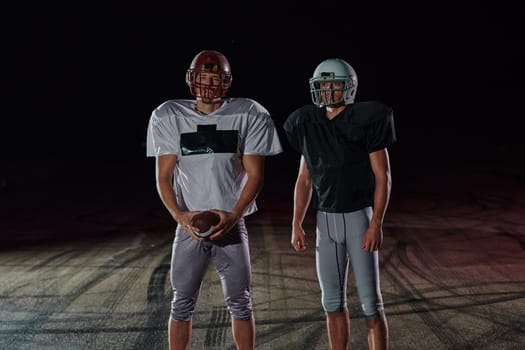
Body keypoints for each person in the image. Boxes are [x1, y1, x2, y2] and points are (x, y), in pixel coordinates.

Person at [146, 50, 283, 350]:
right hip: (189, 226)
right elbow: (163, 177)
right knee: (181, 303)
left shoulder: (249, 113)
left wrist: (233, 215)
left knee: (241, 302)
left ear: (227, 82)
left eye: (215, 78)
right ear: (191, 79)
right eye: (203, 78)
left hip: (232, 224)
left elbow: (255, 176)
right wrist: (181, 217)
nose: (208, 84)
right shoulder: (169, 115)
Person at [283, 58, 396, 349]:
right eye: (323, 84)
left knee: (371, 304)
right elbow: (304, 180)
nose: (327, 90)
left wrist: (376, 224)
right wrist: (296, 222)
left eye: (334, 84)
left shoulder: (366, 119)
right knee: (331, 302)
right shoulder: (308, 123)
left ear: (348, 87)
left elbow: (382, 177)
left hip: (359, 218)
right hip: (325, 221)